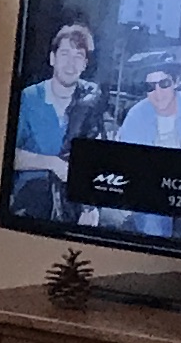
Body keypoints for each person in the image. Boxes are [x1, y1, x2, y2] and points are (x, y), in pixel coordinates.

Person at [7, 18, 108, 222]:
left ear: (85, 64)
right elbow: (8, 156)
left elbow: (98, 159)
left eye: (78, 56)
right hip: (32, 198)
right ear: (52, 58)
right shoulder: (29, 98)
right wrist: (52, 163)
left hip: (74, 199)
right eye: (65, 54)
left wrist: (90, 207)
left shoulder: (91, 99)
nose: (71, 63)